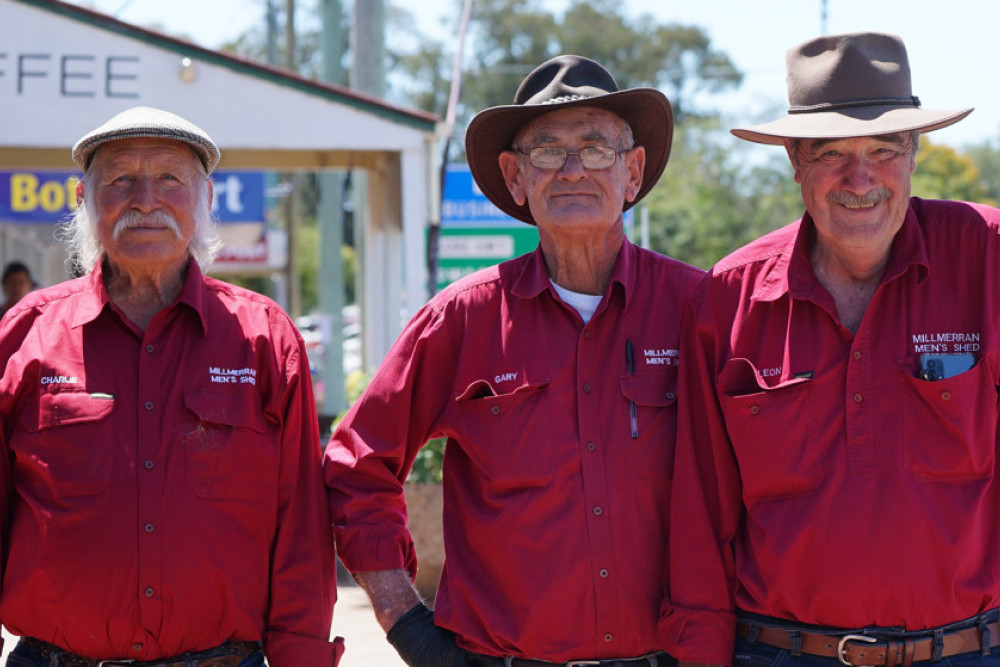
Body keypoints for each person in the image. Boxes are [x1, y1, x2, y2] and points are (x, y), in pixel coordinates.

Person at [324, 55, 704, 666]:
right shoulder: (463, 319)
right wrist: (403, 620)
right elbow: (355, 466)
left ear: (632, 172)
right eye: (548, 151)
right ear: (515, 176)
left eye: (596, 149)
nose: (573, 168)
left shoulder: (700, 310)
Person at [662, 31, 1000, 667]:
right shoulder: (730, 299)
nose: (860, 178)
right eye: (831, 153)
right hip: (781, 653)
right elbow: (700, 515)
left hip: (968, 650)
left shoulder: (987, 256)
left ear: (914, 153)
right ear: (795, 160)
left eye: (882, 149)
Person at [0, 107, 343, 666]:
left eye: (168, 178)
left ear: (205, 196)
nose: (144, 199)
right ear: (83, 199)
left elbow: (302, 529)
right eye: (119, 180)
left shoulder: (264, 339)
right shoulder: (24, 335)